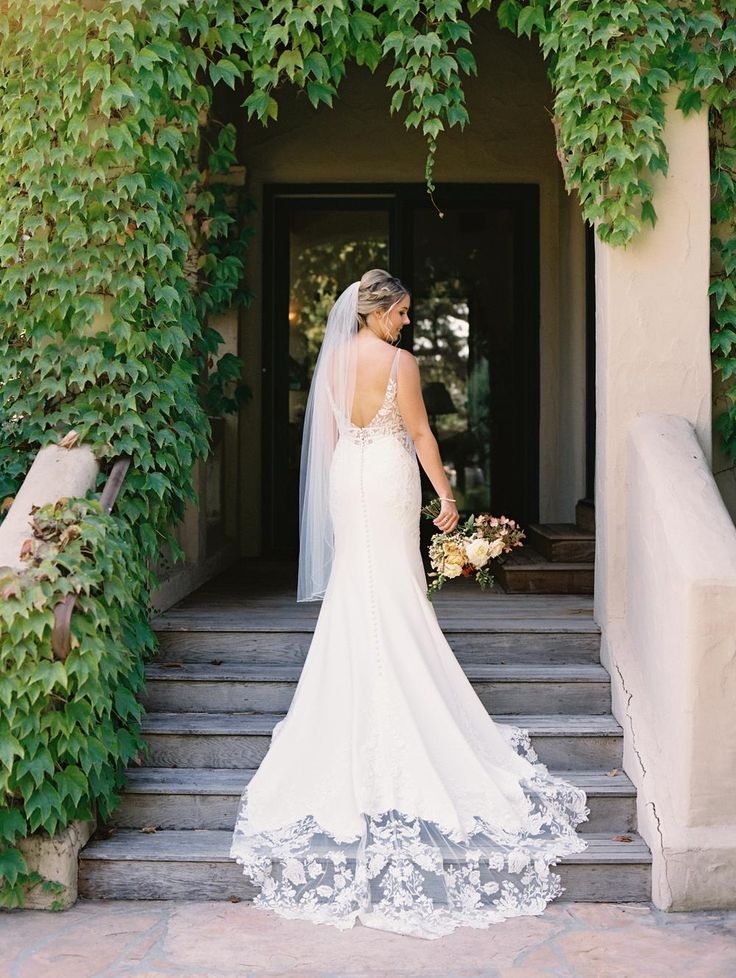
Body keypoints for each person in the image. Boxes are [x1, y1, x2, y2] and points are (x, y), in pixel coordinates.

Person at [230, 269, 589, 939]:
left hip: (349, 476)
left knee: (359, 587)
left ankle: (362, 695)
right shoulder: (400, 363)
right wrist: (448, 499)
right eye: (402, 312)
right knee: (391, 586)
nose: (407, 322)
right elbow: (422, 434)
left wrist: (344, 484)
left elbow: (332, 436)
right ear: (379, 310)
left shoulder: (333, 360)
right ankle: (400, 691)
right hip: (391, 472)